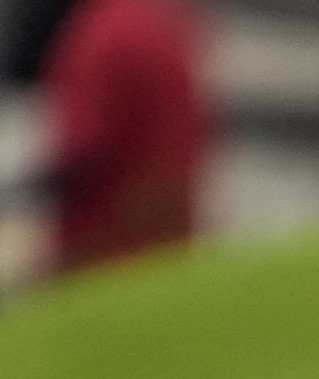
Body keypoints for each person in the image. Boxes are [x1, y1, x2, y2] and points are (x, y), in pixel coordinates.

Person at [39, 0, 204, 276]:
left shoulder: (102, 35)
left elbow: (83, 149)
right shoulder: (157, 27)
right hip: (162, 248)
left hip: (106, 256)